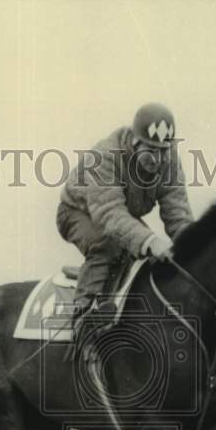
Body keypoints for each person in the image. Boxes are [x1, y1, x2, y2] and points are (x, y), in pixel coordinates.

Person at [56, 102, 195, 350]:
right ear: (134, 142)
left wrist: (196, 247)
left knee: (147, 257)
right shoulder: (105, 155)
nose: (159, 159)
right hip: (78, 211)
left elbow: (178, 214)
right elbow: (109, 214)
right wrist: (150, 241)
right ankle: (83, 316)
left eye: (164, 150)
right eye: (151, 151)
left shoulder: (169, 160)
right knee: (108, 245)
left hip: (120, 214)